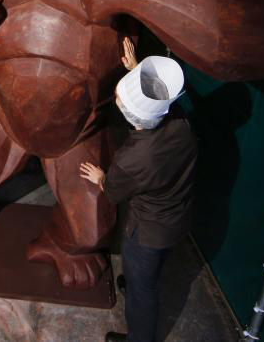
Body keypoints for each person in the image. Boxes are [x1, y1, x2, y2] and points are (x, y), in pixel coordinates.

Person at [80, 38, 199, 342]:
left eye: (120, 99)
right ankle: (134, 282)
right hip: (178, 216)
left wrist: (100, 177)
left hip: (148, 232)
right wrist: (137, 72)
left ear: (131, 117)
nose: (118, 99)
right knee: (149, 270)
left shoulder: (132, 159)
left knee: (144, 291)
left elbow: (112, 192)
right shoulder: (180, 123)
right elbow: (164, 104)